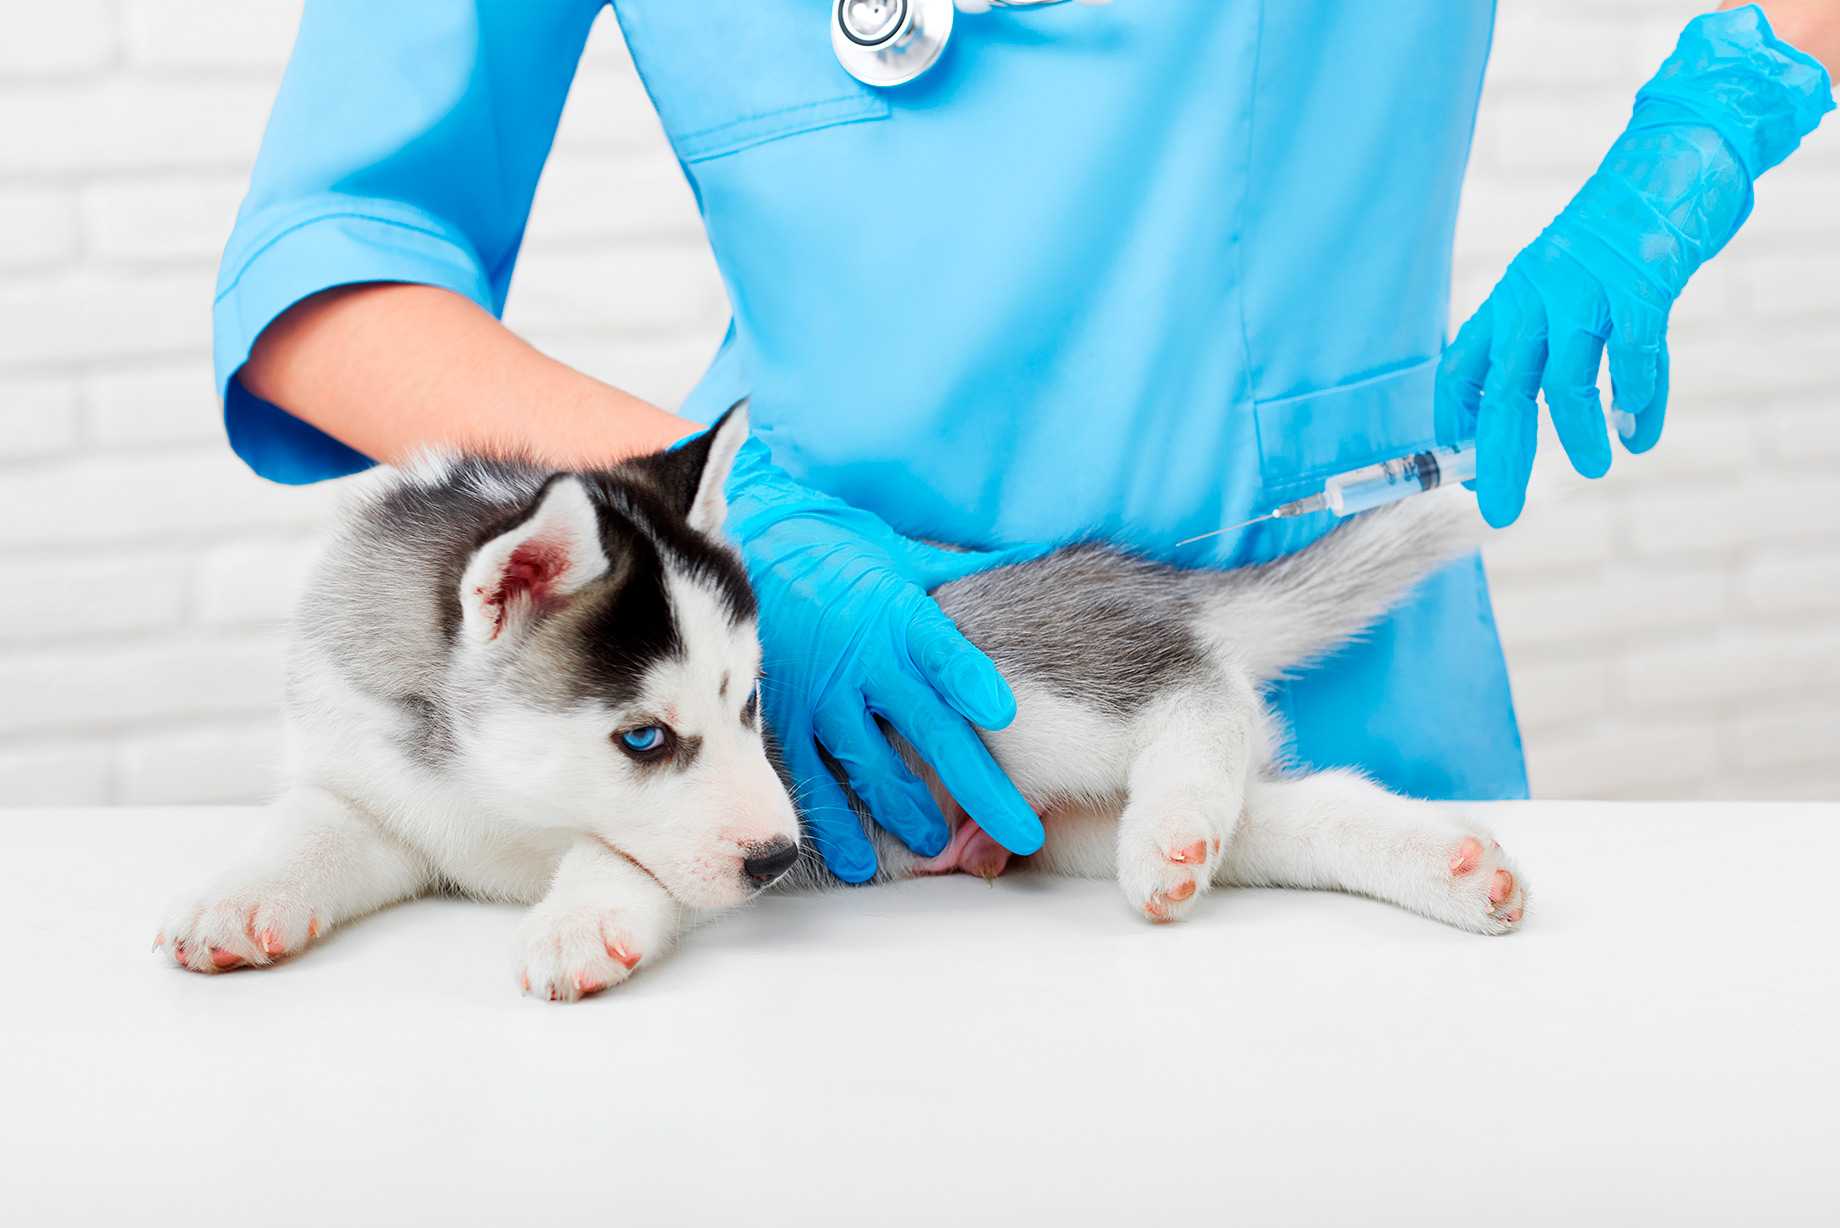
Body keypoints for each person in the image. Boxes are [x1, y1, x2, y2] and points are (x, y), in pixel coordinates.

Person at [213, 1, 1835, 881]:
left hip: (1325, 703)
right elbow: (327, 272)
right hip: (836, 751)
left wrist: (1712, 123)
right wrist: (738, 529)